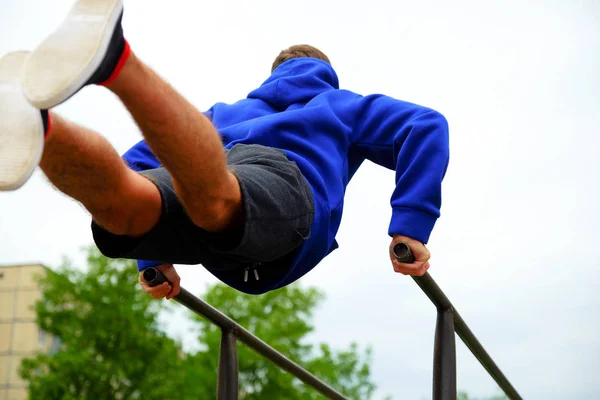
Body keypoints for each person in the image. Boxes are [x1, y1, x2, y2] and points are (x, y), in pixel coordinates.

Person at [0, 0, 450, 300]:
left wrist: (151, 253)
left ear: (272, 75)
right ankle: (115, 58)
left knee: (125, 206)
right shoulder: (338, 102)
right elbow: (424, 124)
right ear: (325, 73)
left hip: (218, 201)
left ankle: (41, 125)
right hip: (277, 181)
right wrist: (411, 223)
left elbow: (134, 165)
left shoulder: (223, 113)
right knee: (219, 199)